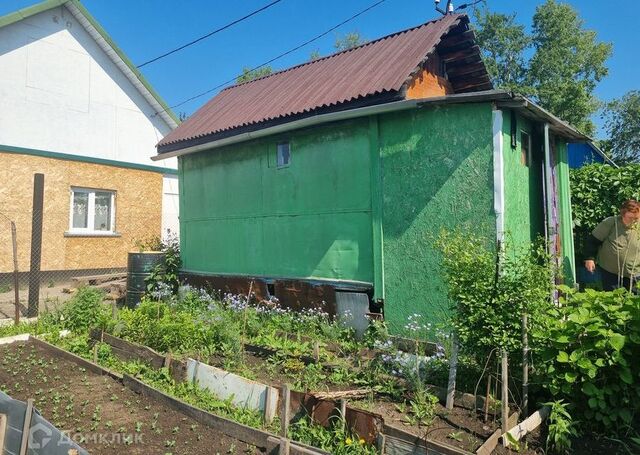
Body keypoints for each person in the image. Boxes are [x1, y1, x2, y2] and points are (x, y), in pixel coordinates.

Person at [584, 200, 640, 292]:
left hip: (636, 273)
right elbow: (592, 241)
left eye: (636, 218)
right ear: (622, 214)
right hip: (611, 272)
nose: (633, 221)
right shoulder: (610, 223)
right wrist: (589, 258)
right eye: (630, 218)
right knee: (613, 301)